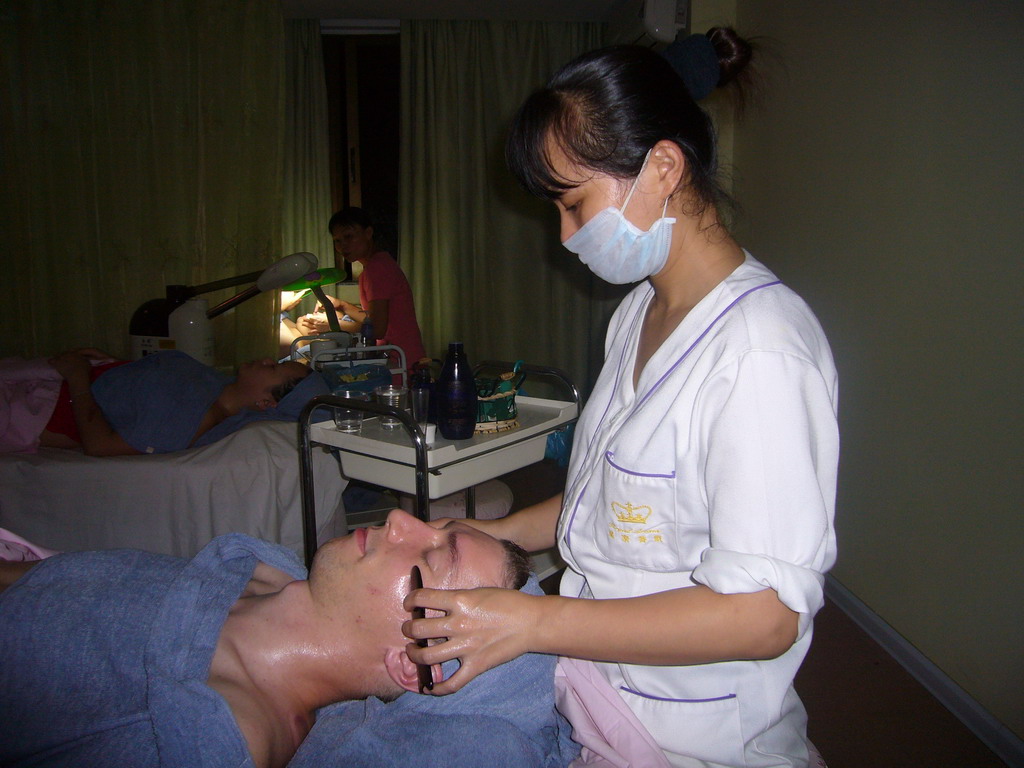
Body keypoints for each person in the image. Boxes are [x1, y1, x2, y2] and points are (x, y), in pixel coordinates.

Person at [404, 35, 839, 768]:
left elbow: (764, 618)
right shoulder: (637, 314)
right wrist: (504, 535)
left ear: (663, 167)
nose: (566, 238)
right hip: (601, 702)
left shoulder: (759, 352)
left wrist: (536, 622)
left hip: (691, 740)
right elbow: (615, 501)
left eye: (573, 205)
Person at [0, 510, 539, 768]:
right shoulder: (260, 571)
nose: (400, 518)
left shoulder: (217, 730)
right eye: (436, 524)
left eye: (431, 556)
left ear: (408, 661)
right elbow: (55, 583)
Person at [1, 348, 328, 456]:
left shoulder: (198, 416)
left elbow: (101, 445)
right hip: (55, 381)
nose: (268, 359)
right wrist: (117, 366)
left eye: (274, 369)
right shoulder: (214, 384)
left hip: (38, 407)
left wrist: (78, 378)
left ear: (266, 403)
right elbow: (150, 392)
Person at [297, 207, 426, 371]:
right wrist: (342, 305)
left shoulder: (377, 268)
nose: (343, 245)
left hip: (399, 359)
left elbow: (378, 329)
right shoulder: (374, 266)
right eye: (337, 240)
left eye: (349, 237)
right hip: (399, 354)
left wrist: (333, 325)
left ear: (368, 233)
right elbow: (372, 318)